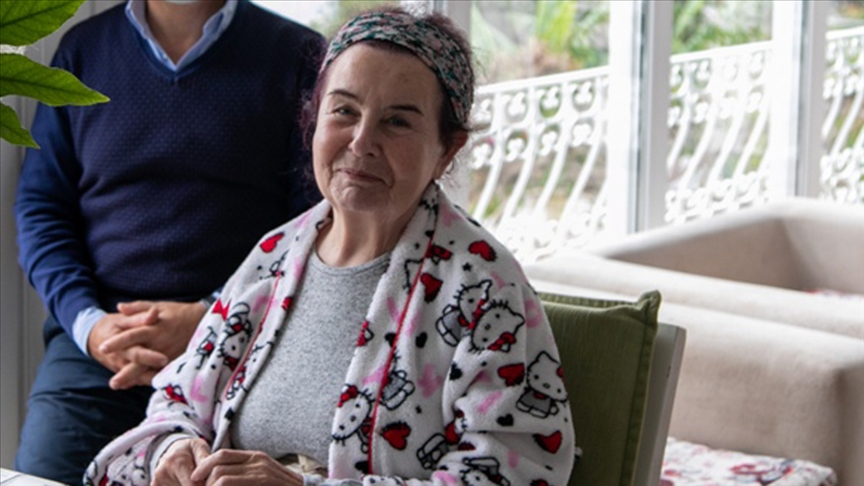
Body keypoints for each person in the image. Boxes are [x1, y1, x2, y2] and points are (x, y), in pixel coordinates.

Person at [85, 6, 576, 486]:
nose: (361, 142)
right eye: (344, 110)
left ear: (447, 149)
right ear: (313, 120)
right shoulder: (275, 255)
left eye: (397, 122)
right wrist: (174, 447)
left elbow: (511, 470)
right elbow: (179, 399)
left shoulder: (484, 286)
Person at [13, 0, 325, 483]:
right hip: (100, 347)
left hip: (243, 345)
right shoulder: (82, 51)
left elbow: (316, 224)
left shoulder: (298, 54)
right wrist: (91, 326)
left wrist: (213, 317)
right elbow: (41, 209)